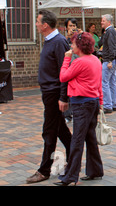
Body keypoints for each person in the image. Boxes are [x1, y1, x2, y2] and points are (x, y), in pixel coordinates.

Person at [27, 10, 72, 184]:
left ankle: (44, 170)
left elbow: (65, 71)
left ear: (45, 25)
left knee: (49, 131)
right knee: (60, 130)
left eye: (38, 22)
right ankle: (74, 155)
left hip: (54, 93)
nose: (36, 24)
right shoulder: (49, 41)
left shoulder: (59, 41)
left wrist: (63, 97)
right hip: (48, 93)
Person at [54, 32, 104, 185]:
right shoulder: (95, 60)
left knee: (77, 140)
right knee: (90, 137)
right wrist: (100, 101)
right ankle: (95, 170)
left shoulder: (79, 62)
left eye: (73, 43)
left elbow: (63, 76)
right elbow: (99, 83)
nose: (71, 46)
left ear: (80, 46)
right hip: (93, 102)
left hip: (82, 104)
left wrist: (66, 58)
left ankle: (70, 177)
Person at [99, 14, 116, 114]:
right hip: (111, 60)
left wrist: (110, 60)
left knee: (105, 83)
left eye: (103, 21)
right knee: (112, 82)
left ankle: (108, 105)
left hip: (108, 60)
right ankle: (115, 104)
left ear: (108, 22)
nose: (101, 22)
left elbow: (112, 47)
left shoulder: (110, 32)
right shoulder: (111, 31)